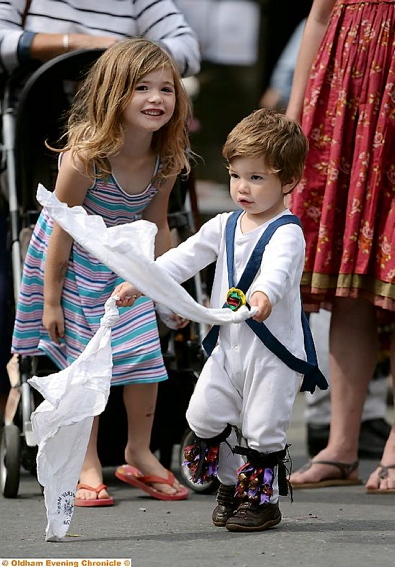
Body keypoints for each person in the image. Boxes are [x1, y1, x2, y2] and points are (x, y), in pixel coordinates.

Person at [114, 108, 328, 532]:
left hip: (273, 351)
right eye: (236, 175)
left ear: (288, 182)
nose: (242, 188)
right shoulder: (223, 225)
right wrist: (142, 281)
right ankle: (232, 485)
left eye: (256, 177)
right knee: (205, 415)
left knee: (263, 428)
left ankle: (261, 500)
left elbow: (279, 271)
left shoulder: (286, 231)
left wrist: (265, 294)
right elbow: (183, 257)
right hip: (227, 345)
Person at [11, 37, 194, 505]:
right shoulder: (85, 157)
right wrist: (51, 300)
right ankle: (86, 459)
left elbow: (156, 222)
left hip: (124, 265)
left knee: (145, 360)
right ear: (114, 94)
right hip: (74, 265)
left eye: (166, 89)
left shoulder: (165, 158)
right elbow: (60, 231)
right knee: (87, 367)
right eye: (141, 88)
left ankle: (139, 450)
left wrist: (166, 285)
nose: (156, 99)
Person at [259, 15, 392, 461]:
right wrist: (296, 111)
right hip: (343, 92)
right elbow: (318, 17)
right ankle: (341, 446)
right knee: (349, 280)